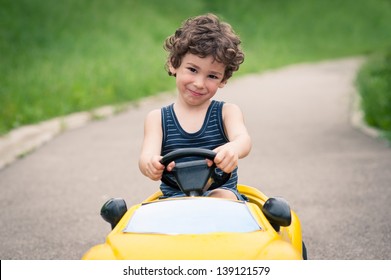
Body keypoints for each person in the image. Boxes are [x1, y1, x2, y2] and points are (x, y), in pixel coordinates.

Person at [139, 13, 251, 200]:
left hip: (221, 196)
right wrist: (150, 164)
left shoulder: (227, 113)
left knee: (221, 198)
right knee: (158, 212)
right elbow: (146, 156)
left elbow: (243, 140)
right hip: (175, 198)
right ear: (174, 64)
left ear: (223, 80)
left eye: (212, 76)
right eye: (192, 70)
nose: (199, 83)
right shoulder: (157, 118)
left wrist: (233, 148)